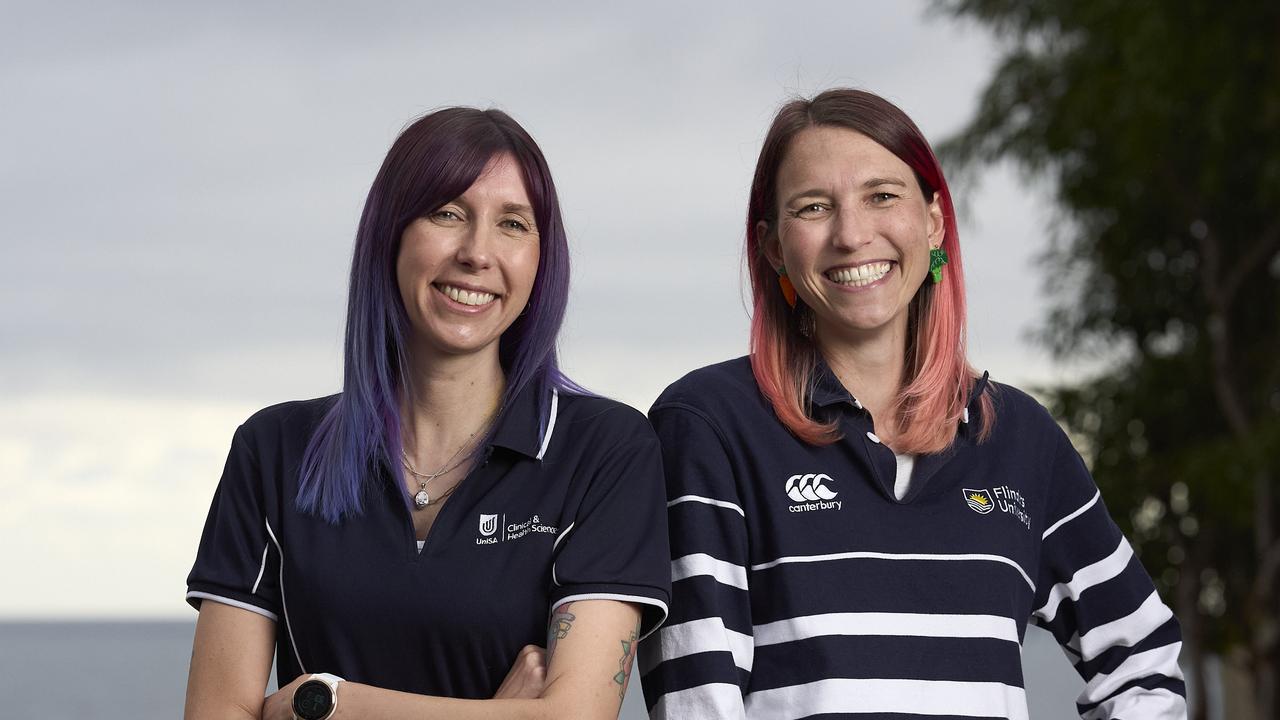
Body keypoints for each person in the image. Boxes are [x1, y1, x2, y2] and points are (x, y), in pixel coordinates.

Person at [640, 89, 1186, 719]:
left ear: (933, 221)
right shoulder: (709, 425)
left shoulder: (1019, 438)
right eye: (813, 207)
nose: (851, 234)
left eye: (882, 196)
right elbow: (696, 703)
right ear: (771, 246)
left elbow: (1144, 659)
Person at [184, 107, 669, 720]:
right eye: (447, 214)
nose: (477, 253)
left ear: (541, 260)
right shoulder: (274, 450)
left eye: (513, 224)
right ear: (391, 234)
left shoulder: (605, 450)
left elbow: (575, 716)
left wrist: (328, 704)